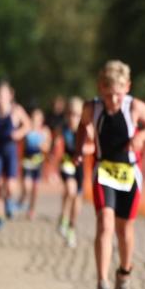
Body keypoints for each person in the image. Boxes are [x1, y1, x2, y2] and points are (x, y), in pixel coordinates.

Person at [76, 61, 145, 289]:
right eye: (108, 94)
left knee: (124, 230)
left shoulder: (134, 106)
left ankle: (124, 272)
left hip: (129, 174)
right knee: (104, 222)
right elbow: (82, 126)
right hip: (103, 171)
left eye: (118, 93)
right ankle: (102, 283)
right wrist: (80, 149)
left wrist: (140, 136)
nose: (113, 100)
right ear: (100, 89)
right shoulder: (91, 108)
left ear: (127, 87)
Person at [0, 81, 31, 231]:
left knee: (10, 186)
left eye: (3, 95)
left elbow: (27, 125)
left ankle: (9, 201)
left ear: (10, 95)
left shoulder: (16, 111)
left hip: (10, 150)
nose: (0, 98)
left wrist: (19, 133)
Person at [55, 97, 90, 248]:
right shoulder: (63, 128)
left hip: (79, 165)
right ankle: (63, 216)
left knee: (77, 199)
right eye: (70, 114)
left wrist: (84, 150)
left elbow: (94, 147)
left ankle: (71, 228)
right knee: (71, 189)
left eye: (76, 114)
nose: (72, 118)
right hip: (67, 162)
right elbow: (53, 144)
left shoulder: (87, 128)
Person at [18, 107, 51, 221]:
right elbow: (20, 140)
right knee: (27, 185)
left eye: (37, 119)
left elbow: (47, 147)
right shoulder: (27, 129)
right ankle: (23, 196)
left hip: (38, 162)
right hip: (27, 161)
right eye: (33, 118)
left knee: (35, 189)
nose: (35, 121)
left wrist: (42, 145)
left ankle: (31, 209)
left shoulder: (45, 131)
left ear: (41, 120)